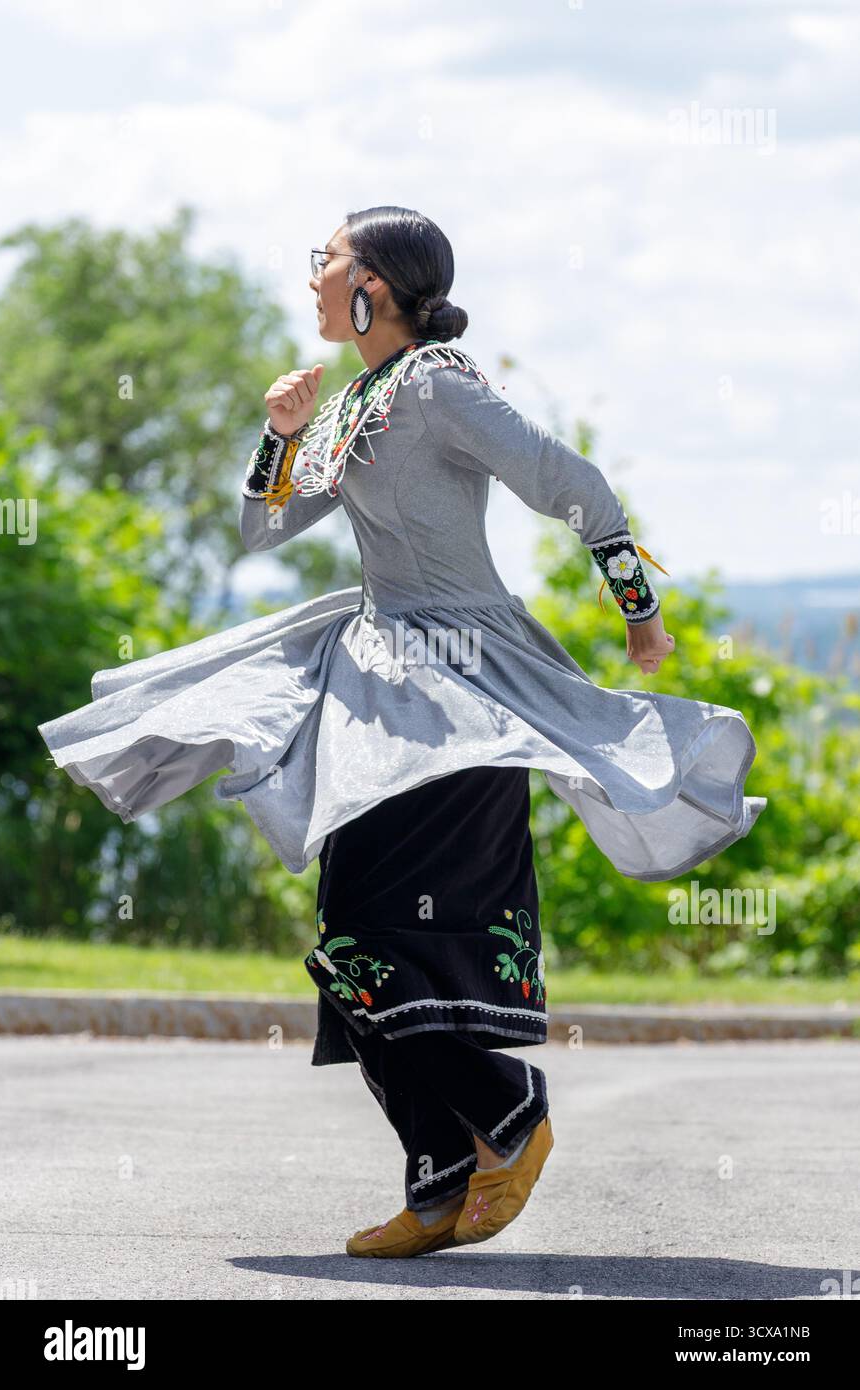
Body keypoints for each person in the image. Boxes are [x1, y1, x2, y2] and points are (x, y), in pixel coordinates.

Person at [37, 205, 767, 1258]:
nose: (312, 281)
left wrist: (637, 612)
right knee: (346, 932)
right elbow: (262, 527)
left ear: (373, 285)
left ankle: (509, 1119)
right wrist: (279, 435)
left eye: (324, 263)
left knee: (372, 929)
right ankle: (437, 1182)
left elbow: (573, 484)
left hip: (462, 695)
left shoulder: (434, 383)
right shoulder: (355, 402)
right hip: (384, 691)